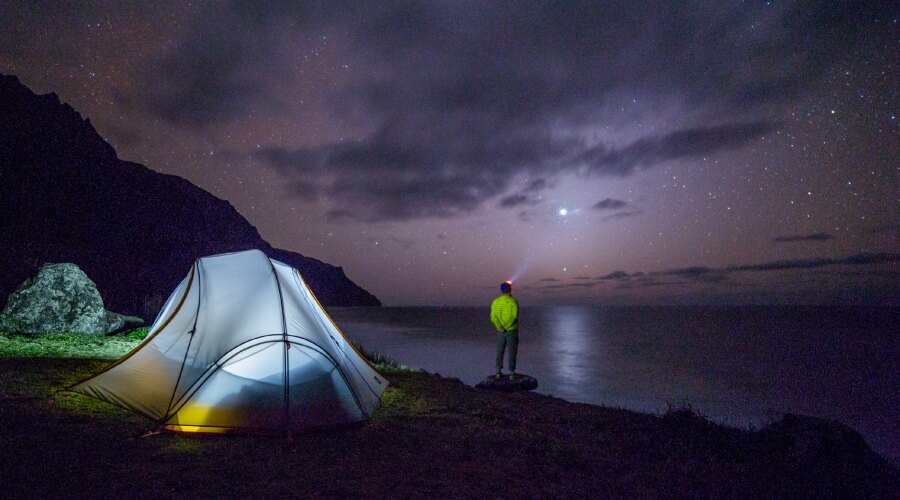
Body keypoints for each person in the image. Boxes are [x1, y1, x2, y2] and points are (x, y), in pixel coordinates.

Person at [490, 280, 519, 380]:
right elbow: (514, 316)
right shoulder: (513, 301)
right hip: (511, 330)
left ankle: (498, 372)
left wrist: (500, 327)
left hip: (500, 331)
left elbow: (493, 317)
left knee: (499, 350)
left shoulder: (495, 302)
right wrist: (507, 327)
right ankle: (511, 373)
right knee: (512, 351)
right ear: (509, 290)